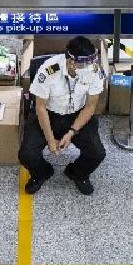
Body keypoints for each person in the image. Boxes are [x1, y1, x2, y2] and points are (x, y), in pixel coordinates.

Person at [19, 36, 107, 195]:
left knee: (97, 153)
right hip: (48, 114)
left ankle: (77, 172)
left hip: (77, 115)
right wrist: (50, 140)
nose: (90, 67)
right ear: (71, 62)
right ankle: (42, 173)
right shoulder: (48, 70)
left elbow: (90, 106)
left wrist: (72, 132)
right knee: (26, 154)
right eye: (85, 64)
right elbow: (40, 107)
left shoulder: (94, 71)